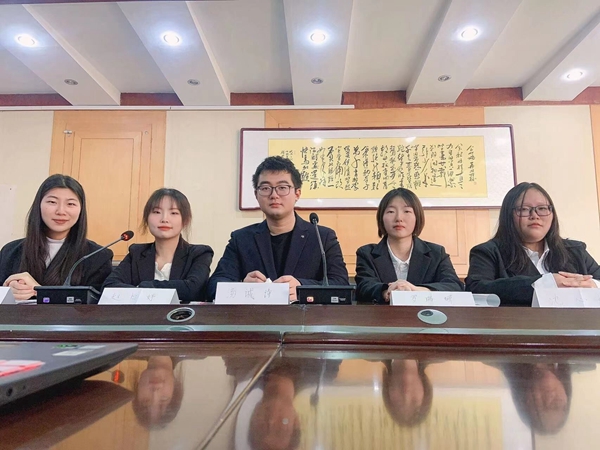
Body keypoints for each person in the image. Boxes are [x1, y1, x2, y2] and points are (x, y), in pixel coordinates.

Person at [207, 156, 349, 301]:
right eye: (265, 188)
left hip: (304, 315)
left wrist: (302, 288)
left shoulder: (322, 237)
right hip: (256, 315)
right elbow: (213, 286)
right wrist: (242, 287)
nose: (274, 195)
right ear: (256, 194)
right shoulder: (241, 239)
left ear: (297, 194)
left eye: (282, 188)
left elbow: (342, 285)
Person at [466, 182, 600, 306]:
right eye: (524, 209)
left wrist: (592, 285)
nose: (535, 215)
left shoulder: (575, 250)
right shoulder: (488, 252)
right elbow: (476, 290)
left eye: (542, 208)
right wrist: (544, 283)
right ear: (508, 215)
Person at [0, 174, 112, 300]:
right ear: (39, 205)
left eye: (70, 204)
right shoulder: (10, 252)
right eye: (52, 202)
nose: (60, 211)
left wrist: (39, 292)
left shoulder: (97, 256)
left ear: (81, 210)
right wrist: (6, 290)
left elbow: (93, 306)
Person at [102, 188, 213, 302]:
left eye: (174, 213)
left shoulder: (199, 254)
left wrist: (145, 287)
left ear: (185, 221)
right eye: (156, 212)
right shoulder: (137, 253)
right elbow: (109, 286)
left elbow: (192, 289)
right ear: (146, 218)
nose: (164, 219)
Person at [355, 188, 463, 304]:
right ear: (381, 217)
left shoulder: (436, 253)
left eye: (406, 211)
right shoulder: (367, 254)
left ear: (417, 217)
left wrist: (416, 290)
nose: (399, 218)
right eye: (391, 211)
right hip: (382, 314)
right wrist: (387, 291)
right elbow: (364, 286)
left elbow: (454, 285)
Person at [381, 359, 433, 427]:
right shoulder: (441, 354)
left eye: (399, 402)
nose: (406, 393)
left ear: (387, 393)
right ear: (425, 391)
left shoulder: (372, 354)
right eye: (414, 401)